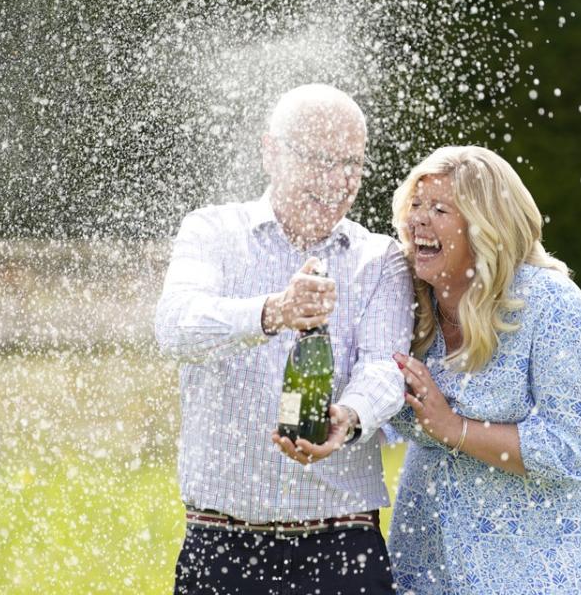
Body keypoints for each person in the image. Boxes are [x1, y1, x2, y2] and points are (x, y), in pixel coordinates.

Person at [154, 83, 414, 594]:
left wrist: (351, 416)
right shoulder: (212, 232)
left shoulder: (380, 258)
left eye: (352, 164)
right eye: (319, 159)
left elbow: (386, 366)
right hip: (222, 543)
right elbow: (176, 326)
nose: (338, 181)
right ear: (270, 152)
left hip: (342, 544)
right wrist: (273, 312)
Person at [385, 146, 581, 594]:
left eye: (440, 209)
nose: (419, 220)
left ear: (486, 227)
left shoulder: (554, 308)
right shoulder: (406, 306)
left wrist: (454, 428)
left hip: (544, 576)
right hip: (430, 576)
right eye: (415, 206)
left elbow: (575, 446)